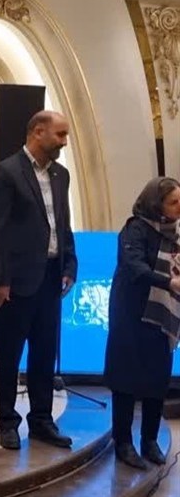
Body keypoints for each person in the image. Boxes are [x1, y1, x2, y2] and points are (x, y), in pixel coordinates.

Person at [0, 110, 77, 451]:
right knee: (9, 355)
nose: (64, 142)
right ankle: (8, 421)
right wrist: (0, 278)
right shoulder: (6, 173)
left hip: (51, 276)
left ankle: (41, 420)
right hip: (17, 281)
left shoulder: (60, 174)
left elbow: (62, 223)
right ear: (38, 132)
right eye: (60, 134)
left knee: (44, 353)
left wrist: (70, 263)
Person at [104, 177, 180, 469]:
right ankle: (123, 442)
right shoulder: (134, 229)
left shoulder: (175, 232)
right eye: (173, 202)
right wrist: (168, 282)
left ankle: (150, 440)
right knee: (126, 378)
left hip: (162, 316)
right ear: (156, 204)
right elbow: (134, 267)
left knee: (157, 378)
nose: (179, 207)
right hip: (131, 313)